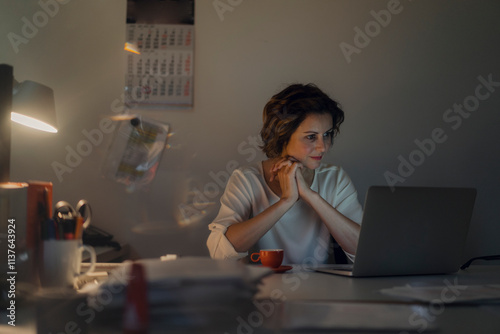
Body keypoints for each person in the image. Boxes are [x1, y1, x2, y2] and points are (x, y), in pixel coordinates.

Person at [206, 83, 363, 264]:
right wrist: (285, 201)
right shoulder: (247, 178)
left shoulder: (335, 178)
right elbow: (219, 252)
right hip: (262, 289)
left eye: (327, 134)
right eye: (311, 137)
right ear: (283, 136)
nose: (323, 146)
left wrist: (310, 196)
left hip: (322, 289)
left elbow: (364, 253)